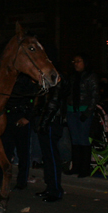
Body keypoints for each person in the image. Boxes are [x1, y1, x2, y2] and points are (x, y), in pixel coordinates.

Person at [0, 73, 38, 189]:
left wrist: (27, 117)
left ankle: (21, 181)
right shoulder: (10, 79)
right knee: (4, 150)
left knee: (22, 151)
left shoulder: (27, 81)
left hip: (21, 117)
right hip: (8, 116)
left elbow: (33, 101)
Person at [33, 74, 69, 202]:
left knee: (52, 157)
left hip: (51, 123)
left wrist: (44, 123)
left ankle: (55, 190)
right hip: (47, 121)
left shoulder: (56, 82)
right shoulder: (47, 83)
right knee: (48, 157)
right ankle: (50, 187)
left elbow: (52, 104)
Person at [67, 54, 99, 178]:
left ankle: (85, 168)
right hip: (71, 111)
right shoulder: (72, 76)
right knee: (74, 140)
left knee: (83, 139)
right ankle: (75, 167)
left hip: (84, 110)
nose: (75, 63)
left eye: (78, 61)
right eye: (74, 61)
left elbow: (95, 95)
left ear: (85, 62)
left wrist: (88, 112)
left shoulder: (90, 76)